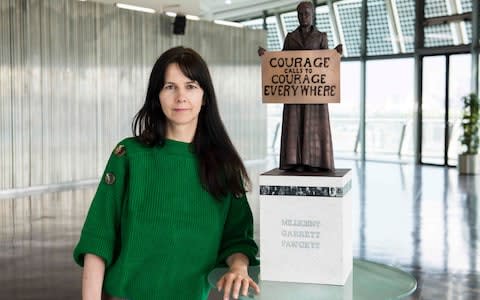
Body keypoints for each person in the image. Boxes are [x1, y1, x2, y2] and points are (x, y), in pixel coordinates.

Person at [73, 46, 260, 300]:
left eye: (191, 86)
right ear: (157, 95)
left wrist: (238, 267)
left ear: (205, 97)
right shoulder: (129, 155)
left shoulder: (224, 166)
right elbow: (98, 238)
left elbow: (237, 238)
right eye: (170, 86)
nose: (180, 96)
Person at [258, 1, 342, 172]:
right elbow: (281, 63)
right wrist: (267, 56)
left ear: (312, 14)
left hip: (314, 93)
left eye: (306, 13)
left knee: (314, 126)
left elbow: (326, 63)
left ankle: (316, 161)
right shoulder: (290, 37)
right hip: (294, 91)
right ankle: (295, 161)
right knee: (295, 125)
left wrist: (335, 53)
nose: (303, 17)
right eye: (300, 14)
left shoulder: (321, 37)